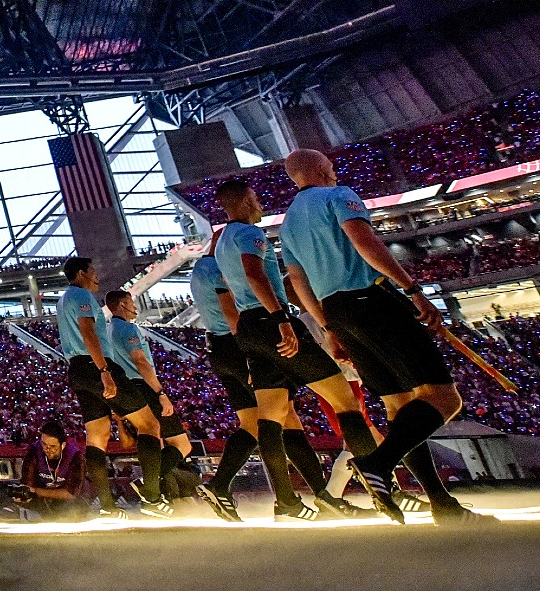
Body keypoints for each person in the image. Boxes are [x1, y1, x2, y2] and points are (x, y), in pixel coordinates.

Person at [277, 148, 492, 525]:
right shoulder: (338, 195)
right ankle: (377, 463)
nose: (333, 170)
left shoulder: (288, 224)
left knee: (399, 409)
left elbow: (298, 281)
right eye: (329, 166)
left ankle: (441, 504)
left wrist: (328, 328)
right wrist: (411, 288)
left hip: (337, 312)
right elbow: (364, 243)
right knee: (443, 398)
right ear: (320, 169)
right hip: (373, 299)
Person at [216, 179, 383, 521]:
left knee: (271, 417)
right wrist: (281, 318)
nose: (260, 204)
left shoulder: (220, 244)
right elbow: (254, 275)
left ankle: (287, 503)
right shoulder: (250, 234)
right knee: (346, 402)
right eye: (257, 197)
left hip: (249, 328)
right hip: (269, 321)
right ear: (247, 200)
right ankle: (385, 491)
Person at [58, 256, 166, 516]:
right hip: (97, 366)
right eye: (93, 270)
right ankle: (152, 498)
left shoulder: (63, 300)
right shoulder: (82, 296)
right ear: (82, 273)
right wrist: (104, 370)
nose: (97, 275)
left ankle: (107, 506)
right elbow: (88, 333)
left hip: (77, 370)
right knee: (149, 425)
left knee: (97, 438)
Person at [104, 291, 201, 506]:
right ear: (122, 305)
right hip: (143, 386)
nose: (135, 307)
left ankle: (153, 489)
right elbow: (140, 361)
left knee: (153, 440)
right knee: (182, 444)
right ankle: (148, 482)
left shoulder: (107, 331)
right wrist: (161, 393)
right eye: (131, 302)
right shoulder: (128, 329)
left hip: (124, 388)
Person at [188, 226, 256, 522]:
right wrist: (250, 351)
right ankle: (302, 497)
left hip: (218, 349)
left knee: (253, 423)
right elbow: (230, 309)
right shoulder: (215, 266)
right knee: (279, 413)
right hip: (234, 344)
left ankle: (220, 484)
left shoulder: (198, 269)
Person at [15, 423, 86, 519]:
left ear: (63, 445)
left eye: (53, 446)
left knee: (74, 505)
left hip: (66, 501)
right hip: (39, 499)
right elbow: (27, 483)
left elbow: (71, 493)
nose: (47, 449)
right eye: (44, 444)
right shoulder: (35, 450)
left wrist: (36, 491)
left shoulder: (75, 456)